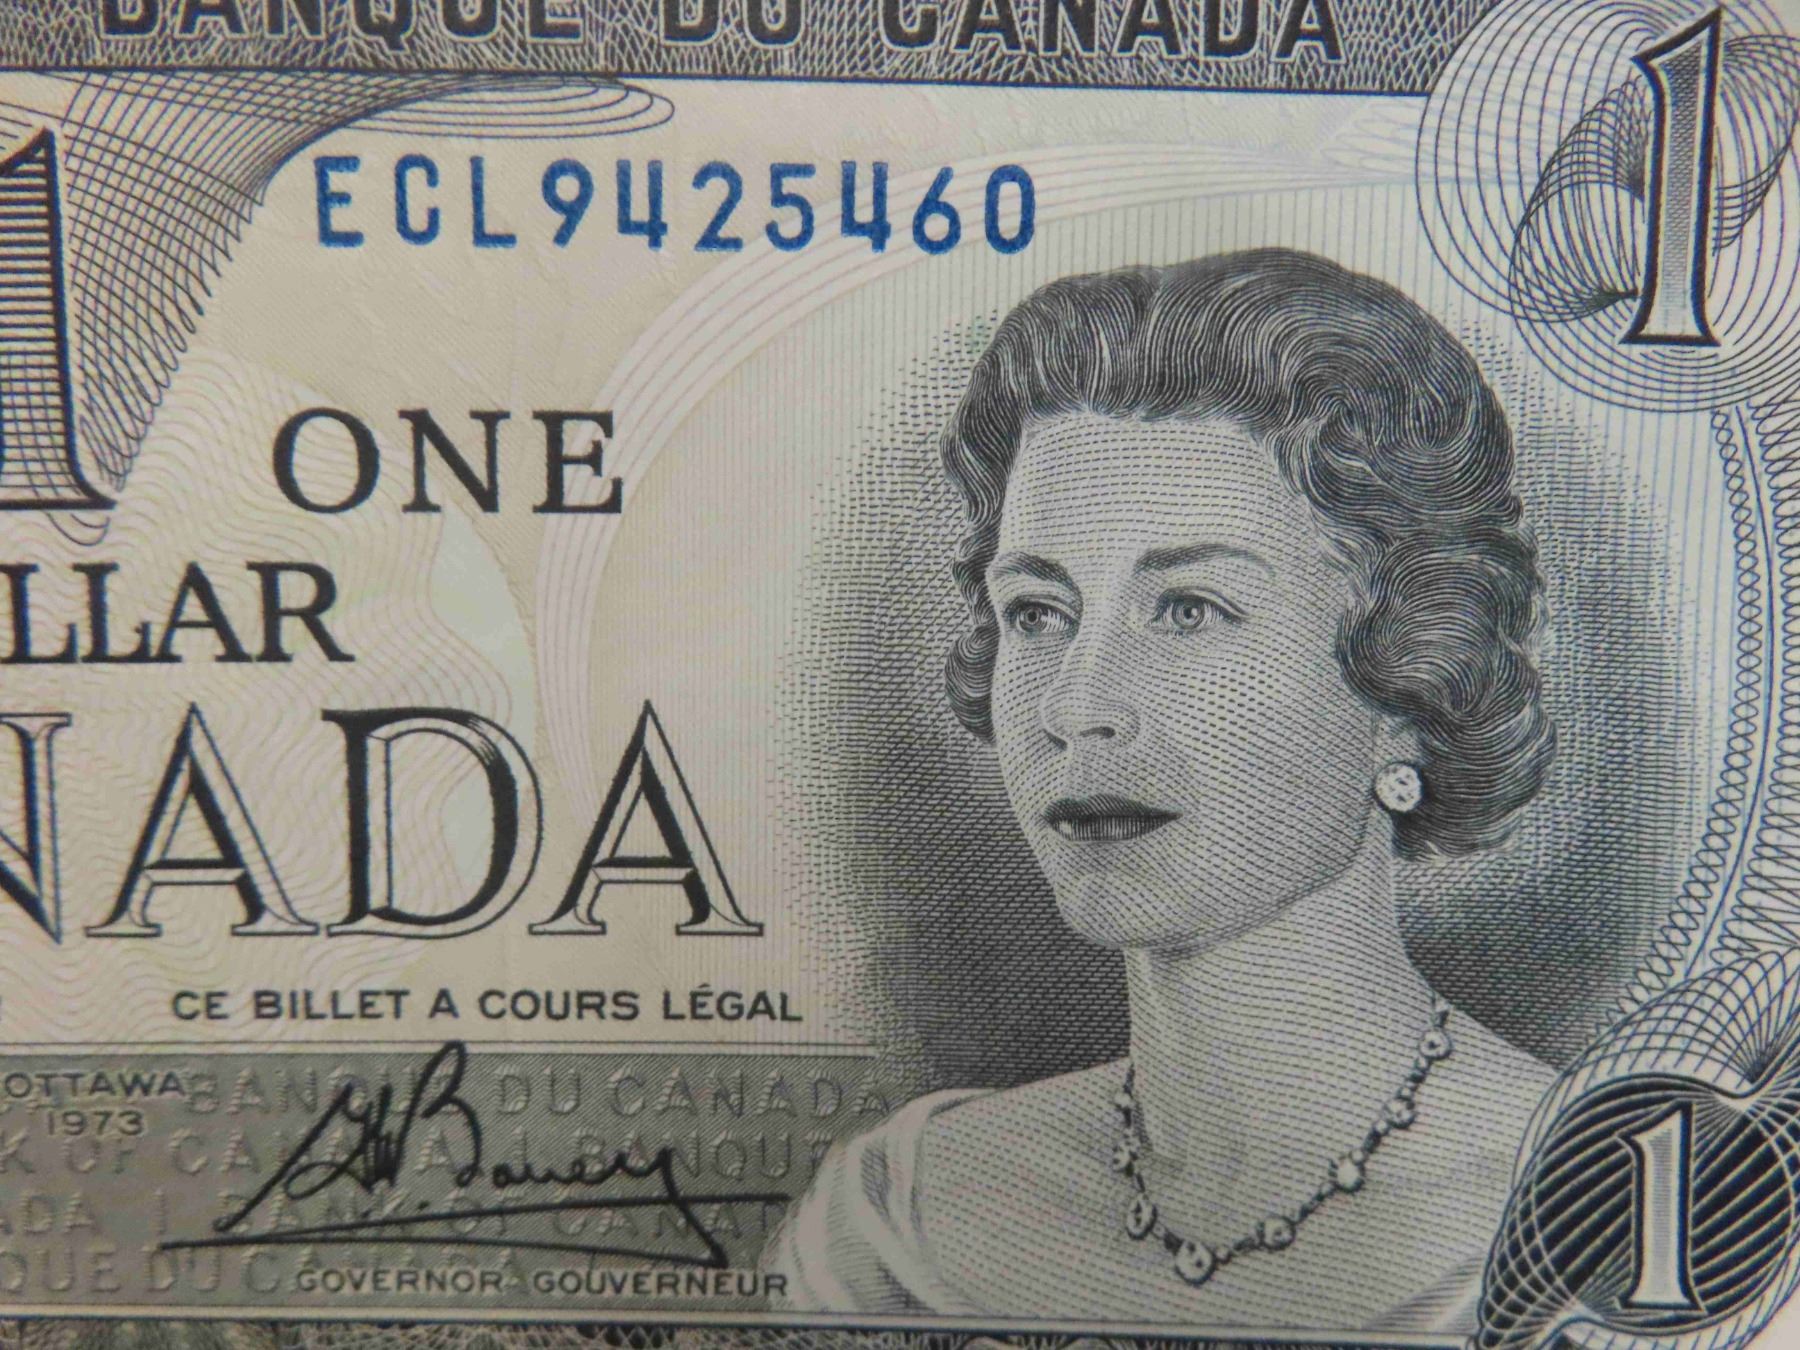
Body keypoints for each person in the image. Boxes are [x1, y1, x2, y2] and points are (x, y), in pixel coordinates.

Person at [765, 249, 1562, 1331]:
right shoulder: (895, 1216)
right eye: (1038, 613)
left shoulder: (1608, 1211)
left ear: (1409, 686)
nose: (1076, 704)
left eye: (1189, 609)